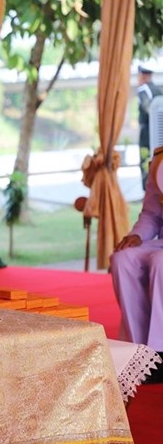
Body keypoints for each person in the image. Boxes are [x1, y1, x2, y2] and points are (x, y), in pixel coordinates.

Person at [111, 146, 163, 383]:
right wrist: (138, 235)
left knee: (160, 263)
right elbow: (152, 214)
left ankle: (160, 351)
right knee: (123, 258)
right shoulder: (160, 158)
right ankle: (137, 348)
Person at [136, 65, 162, 190]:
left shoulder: (143, 90)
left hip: (147, 130)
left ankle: (147, 190)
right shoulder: (157, 90)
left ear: (143, 76)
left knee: (145, 157)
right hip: (159, 130)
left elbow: (148, 108)